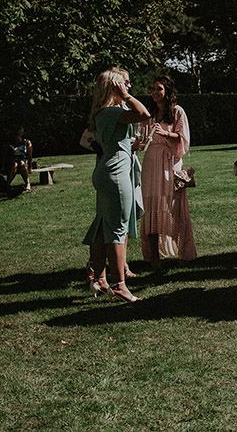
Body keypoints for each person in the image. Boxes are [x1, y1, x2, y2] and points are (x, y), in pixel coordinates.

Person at [82, 69, 150, 302]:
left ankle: (98, 278)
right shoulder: (111, 112)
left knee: (104, 226)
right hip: (115, 174)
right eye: (123, 85)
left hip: (108, 170)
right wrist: (127, 97)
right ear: (113, 88)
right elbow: (144, 113)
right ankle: (119, 284)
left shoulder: (106, 112)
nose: (128, 88)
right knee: (117, 229)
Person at [140, 75, 196, 268]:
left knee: (173, 206)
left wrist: (166, 134)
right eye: (153, 89)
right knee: (152, 206)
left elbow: (184, 139)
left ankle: (184, 252)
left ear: (167, 91)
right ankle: (153, 257)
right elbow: (141, 138)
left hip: (170, 162)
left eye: (159, 89)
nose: (155, 93)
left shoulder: (177, 111)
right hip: (151, 163)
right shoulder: (148, 113)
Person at [6, 126, 33, 193]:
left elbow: (29, 156)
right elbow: (5, 155)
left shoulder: (27, 142)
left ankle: (27, 184)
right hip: (12, 161)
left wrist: (30, 167)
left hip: (23, 161)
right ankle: (7, 185)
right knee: (14, 165)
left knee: (22, 163)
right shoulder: (10, 143)